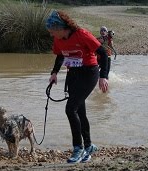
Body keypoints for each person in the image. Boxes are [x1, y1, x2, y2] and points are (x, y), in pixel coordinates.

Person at [46, 10, 109, 163]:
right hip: (73, 74)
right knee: (79, 111)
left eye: (52, 31)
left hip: (89, 73)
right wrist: (54, 73)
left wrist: (103, 76)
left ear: (61, 27)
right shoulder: (58, 39)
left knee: (70, 108)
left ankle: (78, 148)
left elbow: (104, 53)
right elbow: (61, 55)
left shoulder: (82, 34)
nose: (51, 35)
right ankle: (88, 146)